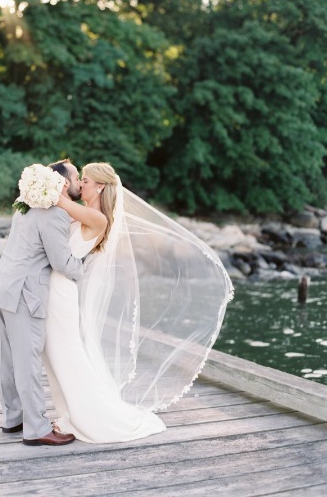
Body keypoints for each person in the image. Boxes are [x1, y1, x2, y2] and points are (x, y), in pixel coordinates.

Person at [43, 161, 234, 443]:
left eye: (85, 180)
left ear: (100, 187)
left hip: (59, 293)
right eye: (80, 179)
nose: (79, 184)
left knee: (66, 354)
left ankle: (87, 416)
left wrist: (40, 184)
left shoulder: (96, 217)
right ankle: (70, 411)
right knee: (56, 356)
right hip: (54, 290)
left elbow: (58, 202)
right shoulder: (83, 212)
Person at [0, 159, 84, 446]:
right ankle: (37, 428)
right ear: (64, 183)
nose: (78, 182)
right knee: (27, 361)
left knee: (7, 359)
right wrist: (86, 267)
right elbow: (61, 261)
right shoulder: (53, 214)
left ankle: (12, 418)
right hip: (25, 295)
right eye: (76, 177)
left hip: (1, 287)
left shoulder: (25, 206)